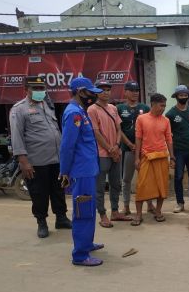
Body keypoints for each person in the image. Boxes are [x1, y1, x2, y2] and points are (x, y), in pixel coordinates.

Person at [10, 76, 71, 238]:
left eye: (41, 88)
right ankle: (41, 222)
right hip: (36, 161)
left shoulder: (47, 104)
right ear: (26, 90)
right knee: (39, 193)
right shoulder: (19, 109)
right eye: (35, 89)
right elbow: (17, 136)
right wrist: (23, 161)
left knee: (58, 190)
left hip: (55, 158)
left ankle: (61, 218)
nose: (39, 91)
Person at [59, 77, 104, 266]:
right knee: (83, 210)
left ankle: (87, 243)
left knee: (89, 209)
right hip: (80, 171)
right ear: (79, 92)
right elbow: (67, 146)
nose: (93, 95)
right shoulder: (74, 114)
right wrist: (65, 172)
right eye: (90, 92)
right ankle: (80, 255)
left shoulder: (80, 112)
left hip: (88, 169)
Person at [87, 80, 130, 228]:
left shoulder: (113, 108)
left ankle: (115, 211)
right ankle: (102, 214)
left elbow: (119, 129)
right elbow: (96, 132)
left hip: (115, 152)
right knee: (99, 186)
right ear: (95, 92)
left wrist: (117, 146)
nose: (106, 92)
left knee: (116, 183)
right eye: (102, 89)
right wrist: (110, 149)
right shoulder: (91, 110)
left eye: (108, 89)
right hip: (102, 153)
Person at [132, 93, 175, 226]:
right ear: (153, 104)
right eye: (161, 105)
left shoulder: (166, 120)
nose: (163, 108)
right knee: (141, 187)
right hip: (146, 157)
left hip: (162, 156)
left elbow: (169, 139)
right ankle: (138, 215)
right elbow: (138, 138)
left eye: (164, 106)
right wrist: (137, 158)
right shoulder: (141, 119)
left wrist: (172, 157)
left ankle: (158, 211)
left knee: (161, 187)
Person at [116, 81, 154, 215]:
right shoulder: (119, 108)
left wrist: (140, 146)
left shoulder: (145, 108)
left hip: (144, 150)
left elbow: (149, 129)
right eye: (132, 90)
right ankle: (126, 206)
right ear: (125, 92)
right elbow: (118, 130)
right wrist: (130, 144)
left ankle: (150, 204)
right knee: (126, 179)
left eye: (137, 90)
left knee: (145, 178)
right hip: (127, 150)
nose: (135, 92)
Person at [166, 85, 189, 213]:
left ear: (188, 96)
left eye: (185, 95)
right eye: (180, 95)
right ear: (176, 97)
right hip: (179, 150)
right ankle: (180, 203)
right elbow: (168, 134)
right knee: (178, 177)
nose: (183, 97)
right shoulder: (170, 114)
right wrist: (171, 154)